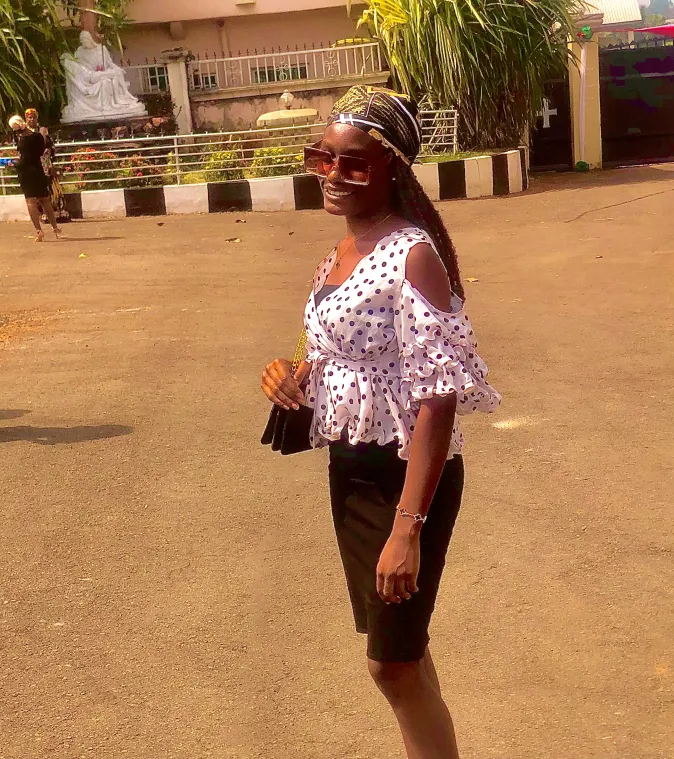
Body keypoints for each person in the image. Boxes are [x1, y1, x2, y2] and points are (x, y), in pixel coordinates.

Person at [260, 85, 500, 759]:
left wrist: (407, 529)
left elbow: (438, 398)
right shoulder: (344, 248)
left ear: (392, 167)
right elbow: (338, 352)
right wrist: (290, 371)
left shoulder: (411, 254)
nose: (333, 174)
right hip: (352, 471)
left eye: (354, 163)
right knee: (403, 653)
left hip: (405, 479)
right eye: (322, 158)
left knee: (389, 666)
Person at [8, 115, 61, 242]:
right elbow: (40, 152)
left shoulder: (22, 140)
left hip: (26, 173)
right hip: (38, 170)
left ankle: (39, 231)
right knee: (45, 199)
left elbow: (24, 160)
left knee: (31, 201)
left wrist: (13, 164)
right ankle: (55, 227)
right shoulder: (37, 136)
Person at [24, 108, 71, 224]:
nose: (32, 119)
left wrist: (47, 157)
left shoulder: (43, 131)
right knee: (36, 191)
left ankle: (58, 214)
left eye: (34, 117)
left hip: (45, 163)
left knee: (52, 189)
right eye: (29, 117)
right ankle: (42, 215)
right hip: (31, 165)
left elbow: (51, 147)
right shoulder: (23, 132)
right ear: (26, 119)